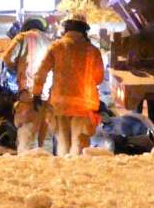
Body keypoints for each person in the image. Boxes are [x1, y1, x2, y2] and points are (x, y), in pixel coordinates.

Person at [32, 16, 105, 156]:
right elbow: (99, 78)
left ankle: (64, 172)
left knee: (63, 143)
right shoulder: (92, 51)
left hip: (60, 104)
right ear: (84, 31)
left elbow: (41, 72)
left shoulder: (57, 47)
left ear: (66, 30)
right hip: (84, 105)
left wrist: (36, 93)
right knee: (79, 143)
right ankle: (78, 173)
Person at [1, 17, 53, 150]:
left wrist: (17, 69)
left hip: (28, 94)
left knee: (27, 137)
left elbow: (7, 59)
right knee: (45, 138)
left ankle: (28, 167)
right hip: (47, 95)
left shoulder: (23, 37)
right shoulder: (51, 42)